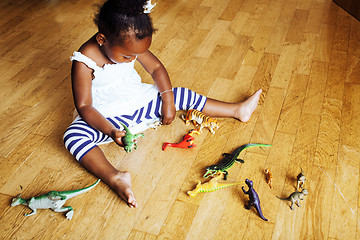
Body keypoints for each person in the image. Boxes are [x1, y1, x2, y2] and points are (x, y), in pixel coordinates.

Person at [63, 0, 262, 208]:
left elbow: (156, 68)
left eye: (136, 54)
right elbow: (85, 106)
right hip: (107, 117)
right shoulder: (84, 60)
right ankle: (114, 177)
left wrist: (167, 99)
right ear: (102, 39)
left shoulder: (128, 42)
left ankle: (237, 110)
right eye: (127, 56)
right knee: (73, 136)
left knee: (180, 94)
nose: (133, 58)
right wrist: (110, 131)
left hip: (140, 101)